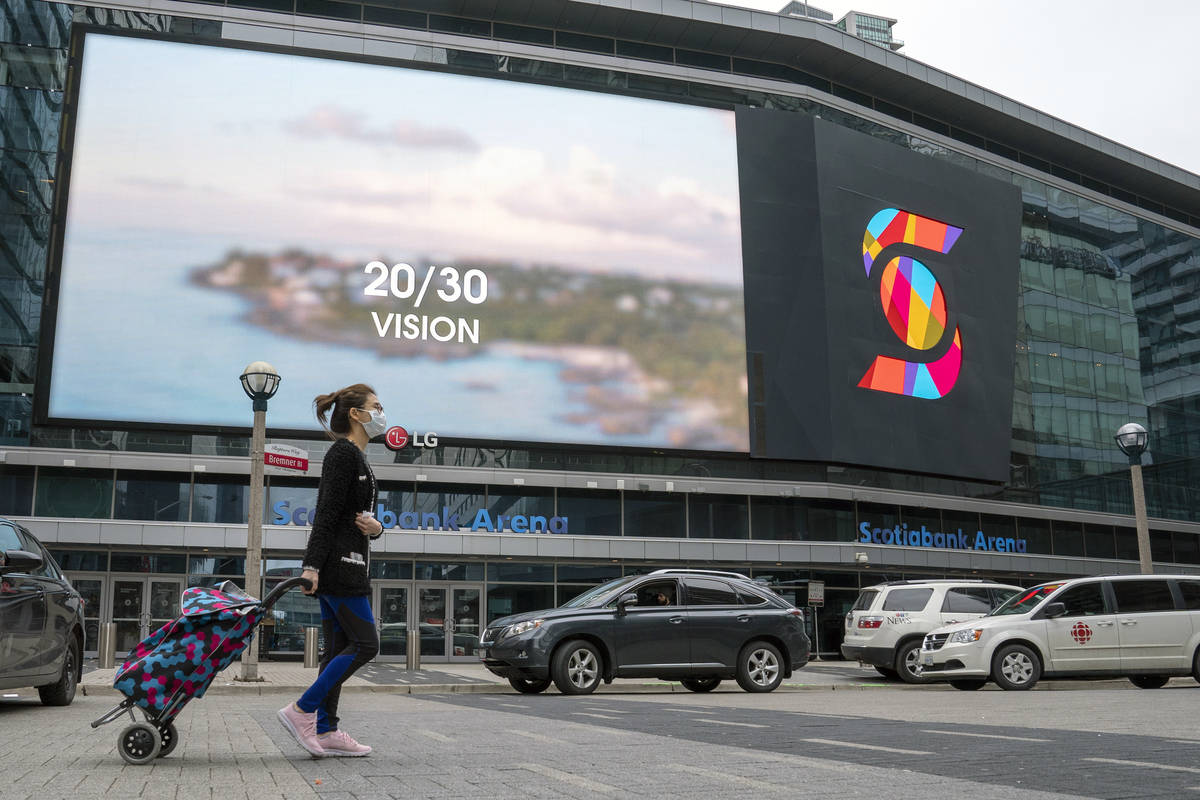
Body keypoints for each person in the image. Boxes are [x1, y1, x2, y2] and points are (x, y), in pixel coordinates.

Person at [278, 384, 386, 758]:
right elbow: (325, 513)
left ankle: (326, 730)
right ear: (356, 414)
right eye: (376, 406)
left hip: (351, 561)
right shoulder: (342, 454)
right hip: (341, 568)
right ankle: (302, 710)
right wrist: (311, 567)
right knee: (366, 644)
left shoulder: (359, 458)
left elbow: (358, 519)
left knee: (339, 648)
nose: (382, 412)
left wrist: (378, 529)